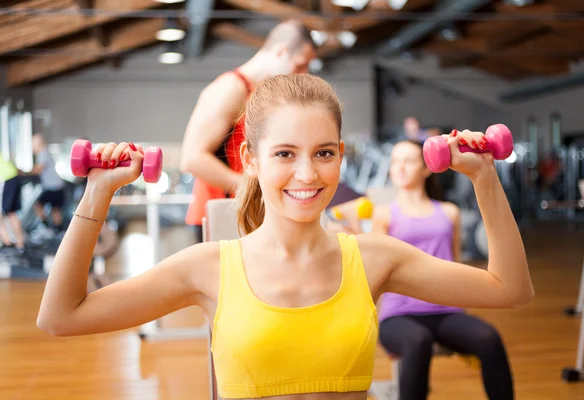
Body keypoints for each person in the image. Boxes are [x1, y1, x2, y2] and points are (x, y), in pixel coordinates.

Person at [37, 74, 533, 400]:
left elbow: (509, 289)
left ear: (340, 154)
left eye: (323, 153)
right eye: (284, 154)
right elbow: (61, 316)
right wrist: (97, 192)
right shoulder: (208, 266)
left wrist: (485, 179)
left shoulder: (375, 258)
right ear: (250, 158)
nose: (307, 174)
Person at [371, 139, 514, 400]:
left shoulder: (449, 213)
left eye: (408, 161)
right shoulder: (383, 215)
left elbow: (454, 264)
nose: (399, 167)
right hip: (399, 315)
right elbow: (376, 273)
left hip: (445, 309)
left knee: (489, 338)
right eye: (395, 161)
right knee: (417, 341)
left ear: (427, 168)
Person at [179, 19, 317, 243]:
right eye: (300, 65)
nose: (303, 74)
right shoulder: (230, 88)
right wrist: (255, 187)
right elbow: (192, 159)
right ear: (281, 52)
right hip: (220, 214)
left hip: (248, 213)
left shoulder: (262, 96)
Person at [29, 133, 66, 231]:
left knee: (38, 205)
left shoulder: (43, 153)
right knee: (55, 210)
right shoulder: (45, 152)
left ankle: (46, 228)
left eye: (33, 143)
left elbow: (39, 168)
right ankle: (58, 231)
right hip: (58, 186)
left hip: (53, 187)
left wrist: (24, 172)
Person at [0, 153, 25, 252]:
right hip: (13, 177)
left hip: (6, 179)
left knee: (6, 214)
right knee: (12, 213)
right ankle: (20, 245)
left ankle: (7, 243)